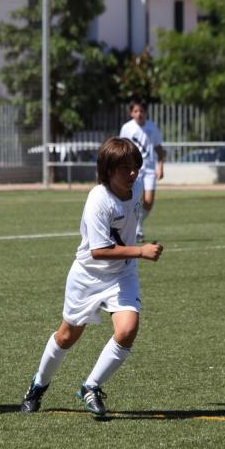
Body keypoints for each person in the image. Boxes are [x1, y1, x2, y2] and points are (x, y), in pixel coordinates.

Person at [20, 138, 163, 416]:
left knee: (127, 330)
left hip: (122, 273)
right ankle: (38, 386)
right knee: (67, 336)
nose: (132, 173)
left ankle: (91, 387)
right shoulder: (98, 200)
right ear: (107, 170)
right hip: (88, 276)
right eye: (125, 168)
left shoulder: (135, 189)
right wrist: (141, 251)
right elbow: (98, 251)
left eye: (135, 167)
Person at [119, 98, 166, 242]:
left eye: (141, 111)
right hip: (133, 169)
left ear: (146, 112)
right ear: (131, 113)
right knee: (133, 198)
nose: (139, 114)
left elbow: (159, 149)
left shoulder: (152, 127)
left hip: (149, 170)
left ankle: (137, 225)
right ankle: (135, 230)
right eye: (136, 111)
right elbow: (121, 148)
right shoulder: (127, 128)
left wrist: (161, 166)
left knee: (148, 201)